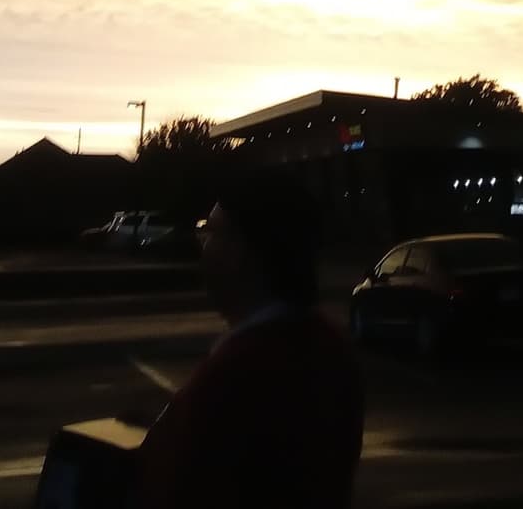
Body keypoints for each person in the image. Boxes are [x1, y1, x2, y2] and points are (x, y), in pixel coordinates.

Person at [132, 174, 364, 509]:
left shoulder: (239, 371)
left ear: (240, 251)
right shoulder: (331, 348)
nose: (203, 246)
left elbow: (177, 487)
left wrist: (165, 441)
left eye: (210, 233)